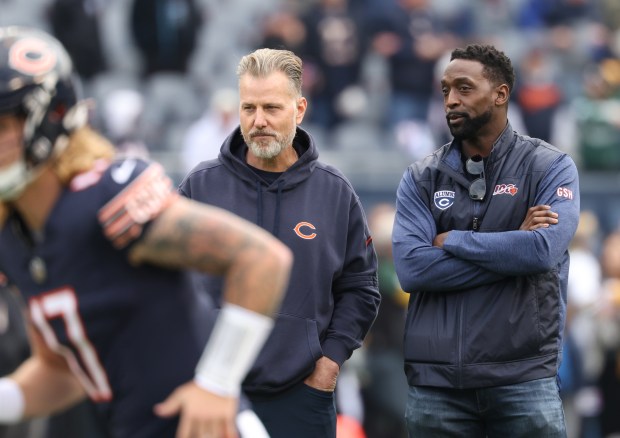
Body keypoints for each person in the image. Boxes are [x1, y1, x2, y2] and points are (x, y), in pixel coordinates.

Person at [0, 26, 293, 438]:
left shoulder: (105, 195)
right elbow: (63, 372)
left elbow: (262, 258)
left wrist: (217, 383)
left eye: (2, 124)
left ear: (50, 116)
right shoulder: (13, 237)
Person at [178, 47, 381, 438]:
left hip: (302, 396)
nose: (258, 122)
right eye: (248, 108)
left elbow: (361, 290)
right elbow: (168, 284)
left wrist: (330, 364)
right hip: (214, 392)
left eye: (271, 108)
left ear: (299, 109)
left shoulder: (335, 192)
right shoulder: (199, 187)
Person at [392, 43, 580, 437]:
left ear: (500, 94)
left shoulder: (550, 166)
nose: (450, 100)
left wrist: (454, 240)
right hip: (437, 385)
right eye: (445, 90)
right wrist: (512, 247)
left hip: (523, 379)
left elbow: (542, 251)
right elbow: (412, 269)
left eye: (463, 88)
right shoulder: (420, 176)